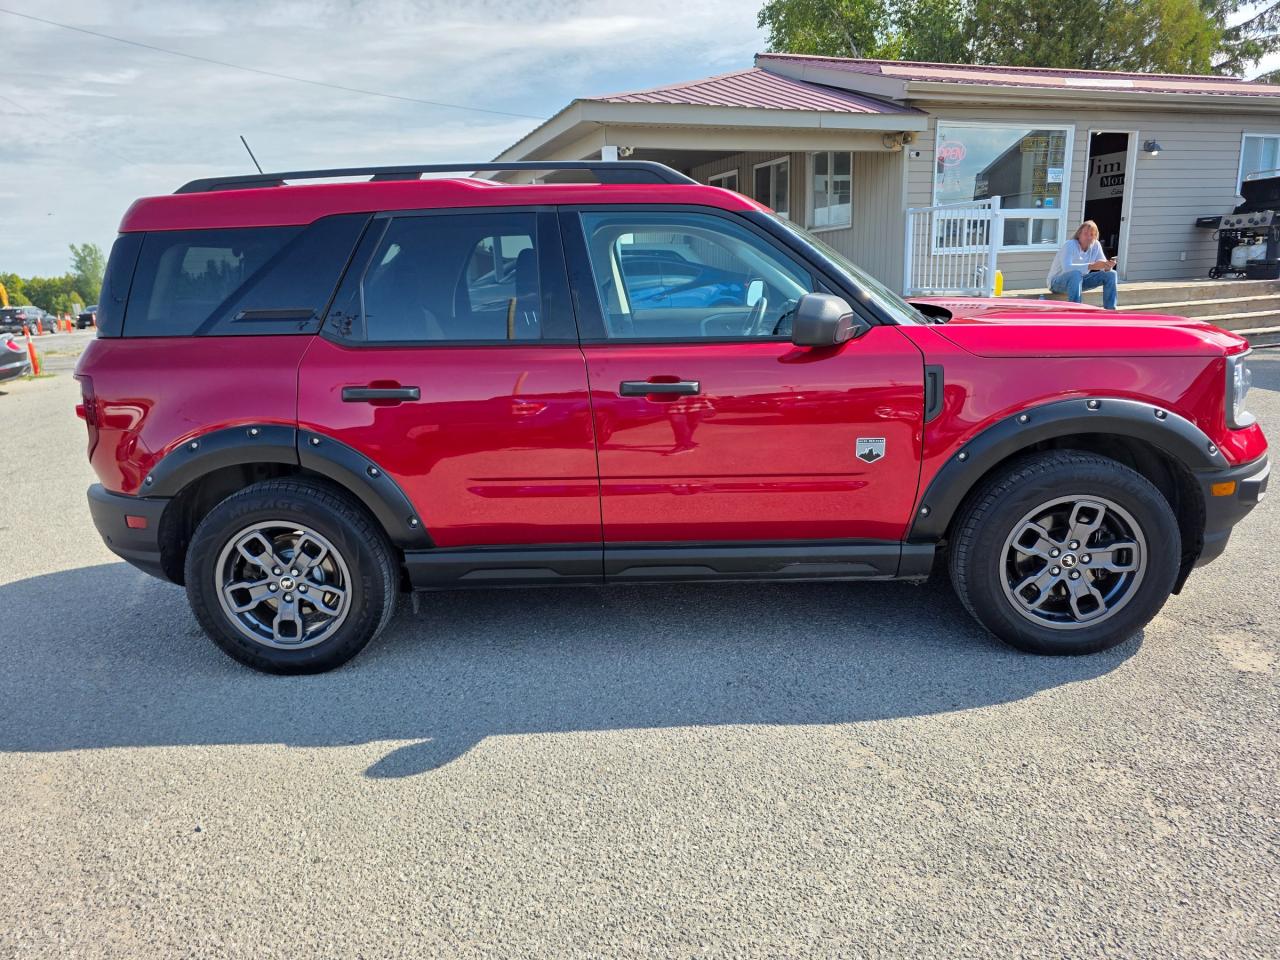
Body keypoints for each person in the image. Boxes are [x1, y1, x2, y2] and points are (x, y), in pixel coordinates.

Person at [1046, 220, 1118, 309]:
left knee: (1111, 274)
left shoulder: (1096, 245)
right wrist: (1091, 266)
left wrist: (1108, 266)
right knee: (1076, 274)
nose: (1089, 237)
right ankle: (1076, 309)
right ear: (1079, 234)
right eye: (1086, 234)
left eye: (1092, 234)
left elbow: (1103, 268)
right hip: (1056, 283)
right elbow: (1067, 268)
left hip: (1079, 281)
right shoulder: (1069, 245)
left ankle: (1110, 309)